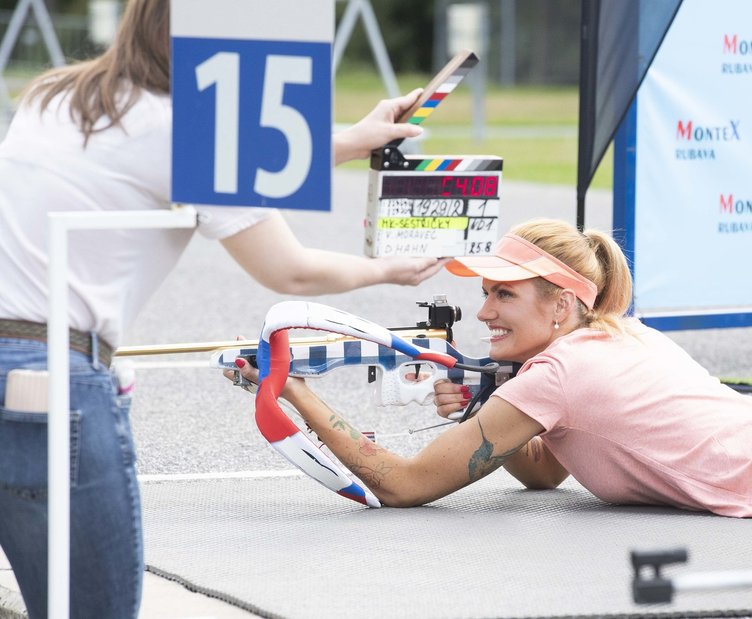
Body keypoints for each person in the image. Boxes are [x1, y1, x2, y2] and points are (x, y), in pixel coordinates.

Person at [0, 0, 444, 616]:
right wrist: (389, 270)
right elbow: (288, 268)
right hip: (52, 382)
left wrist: (352, 139)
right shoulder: (196, 133)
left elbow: (240, 155)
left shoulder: (53, 96)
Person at [229, 218, 752, 528]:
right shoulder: (604, 336)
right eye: (485, 292)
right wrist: (488, 411)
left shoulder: (559, 373)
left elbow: (405, 483)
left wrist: (293, 389)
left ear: (560, 305)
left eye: (503, 294)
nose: (483, 311)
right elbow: (547, 469)